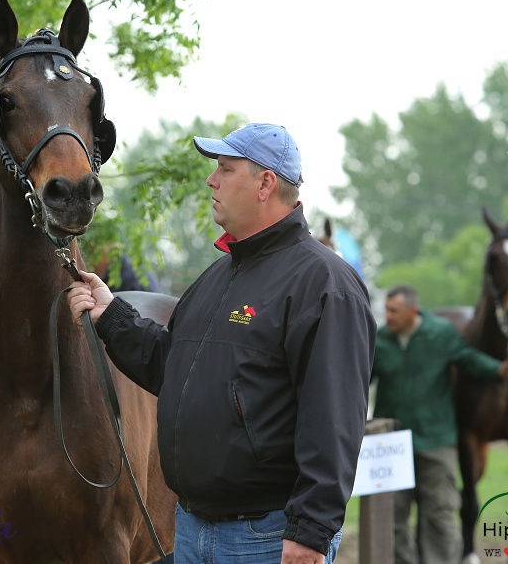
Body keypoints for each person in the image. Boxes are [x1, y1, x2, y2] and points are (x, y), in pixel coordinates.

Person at [68, 122, 376, 564]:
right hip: (191, 530)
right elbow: (171, 368)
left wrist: (310, 532)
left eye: (226, 169)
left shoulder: (324, 284)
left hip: (267, 538)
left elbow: (335, 418)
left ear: (265, 183)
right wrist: (110, 314)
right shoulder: (216, 278)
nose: (211, 180)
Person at [370, 285, 508, 564]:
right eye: (387, 310)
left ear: (413, 311)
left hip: (436, 440)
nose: (387, 316)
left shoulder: (441, 333)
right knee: (393, 516)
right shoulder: (379, 341)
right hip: (391, 445)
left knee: (439, 514)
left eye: (394, 311)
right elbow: (359, 380)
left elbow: (468, 360)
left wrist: (499, 370)